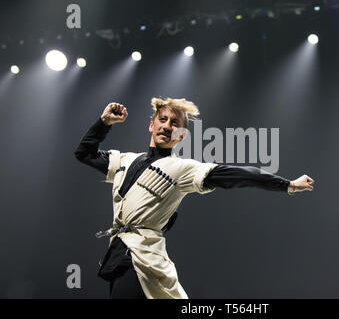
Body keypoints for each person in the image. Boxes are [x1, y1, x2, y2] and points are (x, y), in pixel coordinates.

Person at [74, 98, 315, 299]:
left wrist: (287, 185)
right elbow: (84, 153)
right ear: (151, 124)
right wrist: (104, 122)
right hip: (117, 252)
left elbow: (236, 174)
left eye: (175, 123)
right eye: (163, 119)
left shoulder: (182, 168)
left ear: (181, 135)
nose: (167, 126)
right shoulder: (126, 160)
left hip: (143, 259)